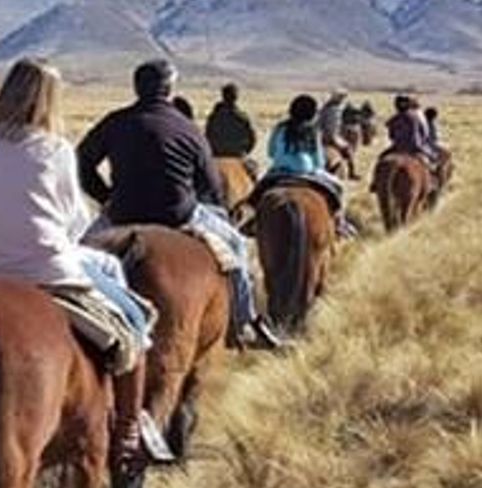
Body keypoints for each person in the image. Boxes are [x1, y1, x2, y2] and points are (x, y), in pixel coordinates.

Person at [0, 58, 166, 463]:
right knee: (133, 320)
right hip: (43, 267)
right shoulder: (54, 149)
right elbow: (75, 219)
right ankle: (129, 427)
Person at [76, 59, 285, 351]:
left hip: (121, 214)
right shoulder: (187, 128)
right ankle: (244, 323)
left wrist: (105, 196)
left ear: (137, 87)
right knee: (236, 246)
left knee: (78, 252)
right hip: (179, 216)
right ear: (170, 89)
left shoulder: (115, 121)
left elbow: (82, 161)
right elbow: (211, 184)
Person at [261, 94, 355, 237]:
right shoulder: (313, 131)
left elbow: (271, 152)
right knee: (339, 188)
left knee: (259, 190)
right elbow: (318, 160)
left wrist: (282, 158)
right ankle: (339, 223)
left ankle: (254, 221)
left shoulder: (280, 128)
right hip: (307, 172)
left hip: (280, 171)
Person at [205, 83, 258, 170]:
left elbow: (207, 137)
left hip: (217, 157)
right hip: (237, 156)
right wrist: (244, 152)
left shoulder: (213, 117)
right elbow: (252, 140)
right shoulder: (242, 117)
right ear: (236, 97)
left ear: (223, 96)